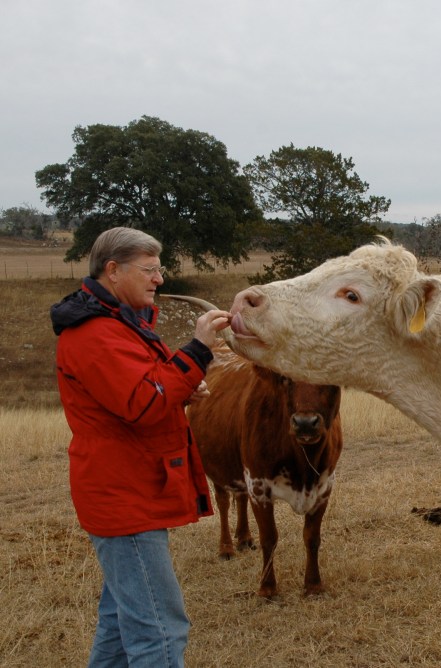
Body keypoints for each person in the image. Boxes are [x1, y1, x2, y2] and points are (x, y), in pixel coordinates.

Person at [50, 227, 231, 667]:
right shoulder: (96, 334)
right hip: (124, 498)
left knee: (118, 625)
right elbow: (144, 403)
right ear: (113, 271)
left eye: (159, 268)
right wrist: (198, 350)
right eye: (149, 269)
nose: (159, 279)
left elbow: (137, 391)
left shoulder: (119, 325)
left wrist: (181, 389)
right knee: (159, 631)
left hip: (128, 490)